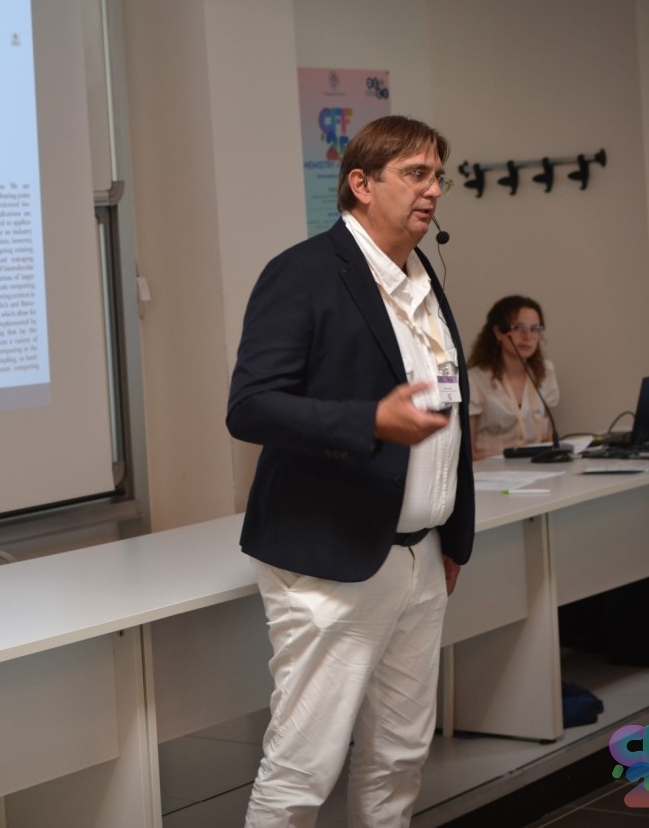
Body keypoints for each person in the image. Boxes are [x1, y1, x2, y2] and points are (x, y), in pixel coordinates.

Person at [226, 115, 474, 827]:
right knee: (303, 769)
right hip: (332, 557)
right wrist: (368, 421)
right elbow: (250, 407)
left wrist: (451, 534)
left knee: (399, 757)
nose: (433, 191)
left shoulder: (423, 279)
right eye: (415, 174)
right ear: (361, 184)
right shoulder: (303, 273)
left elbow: (450, 413)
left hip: (421, 559)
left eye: (438, 177)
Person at [466, 296, 557, 459]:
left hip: (537, 467)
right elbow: (467, 453)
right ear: (499, 332)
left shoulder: (545, 372)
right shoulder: (474, 380)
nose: (528, 336)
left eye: (535, 329)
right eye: (519, 328)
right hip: (491, 470)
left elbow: (548, 435)